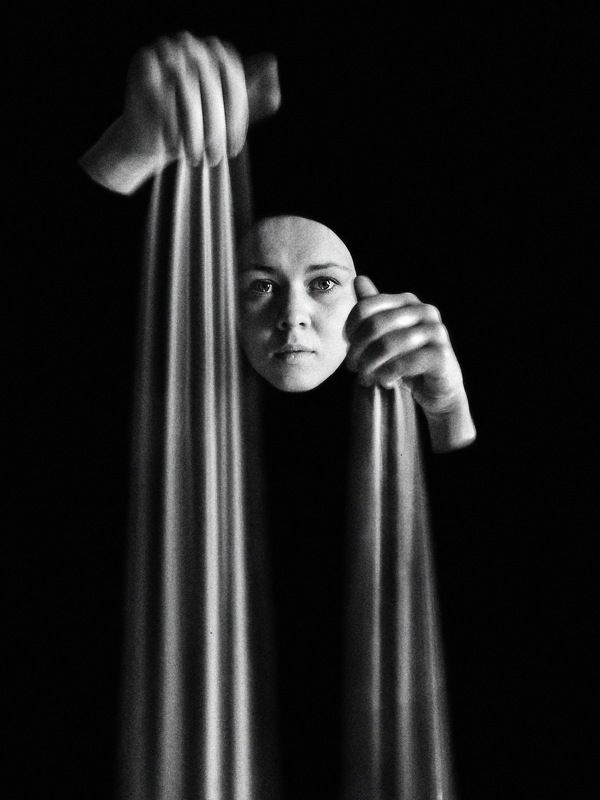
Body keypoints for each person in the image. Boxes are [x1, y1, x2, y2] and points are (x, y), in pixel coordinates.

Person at [80, 32, 476, 797]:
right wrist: (125, 153)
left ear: (363, 292)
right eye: (260, 286)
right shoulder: (156, 426)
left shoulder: (400, 423)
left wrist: (449, 409)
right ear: (220, 303)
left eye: (322, 284)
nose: (292, 316)